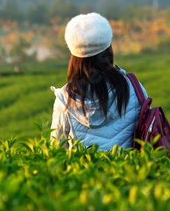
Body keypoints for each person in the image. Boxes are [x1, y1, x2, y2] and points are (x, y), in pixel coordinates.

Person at [50, 12, 146, 150]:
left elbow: (56, 151)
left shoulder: (65, 101)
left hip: (86, 171)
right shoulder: (133, 88)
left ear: (74, 58)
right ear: (109, 51)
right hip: (130, 170)